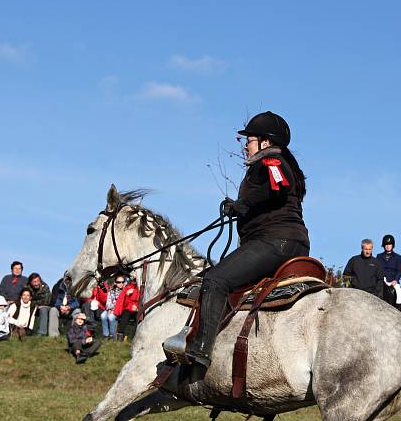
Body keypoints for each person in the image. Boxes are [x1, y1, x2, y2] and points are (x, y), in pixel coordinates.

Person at [163, 111, 309, 376]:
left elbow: (277, 187)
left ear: (265, 142)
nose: (245, 145)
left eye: (249, 140)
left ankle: (201, 351)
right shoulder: (277, 163)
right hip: (288, 242)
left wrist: (243, 204)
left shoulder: (272, 161)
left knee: (215, 280)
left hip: (274, 241)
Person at [115, 275, 141, 342]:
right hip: (129, 308)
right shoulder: (127, 288)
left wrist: (137, 306)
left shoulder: (140, 288)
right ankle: (120, 335)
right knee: (125, 317)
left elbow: (140, 296)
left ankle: (138, 335)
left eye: (135, 280)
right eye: (133, 280)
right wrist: (128, 294)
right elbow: (125, 302)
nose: (134, 281)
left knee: (140, 317)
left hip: (138, 307)